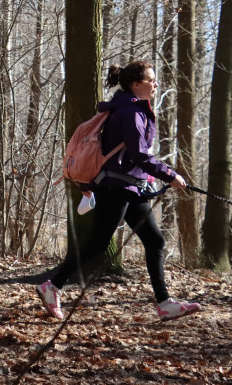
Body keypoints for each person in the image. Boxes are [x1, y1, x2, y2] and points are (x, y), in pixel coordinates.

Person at [36, 61, 201, 321]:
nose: (156, 84)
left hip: (131, 187)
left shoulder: (132, 109)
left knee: (154, 241)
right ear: (136, 84)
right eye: (152, 80)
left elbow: (136, 155)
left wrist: (154, 179)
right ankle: (52, 285)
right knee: (99, 243)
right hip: (116, 186)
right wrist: (170, 175)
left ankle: (164, 303)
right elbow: (139, 155)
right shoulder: (129, 112)